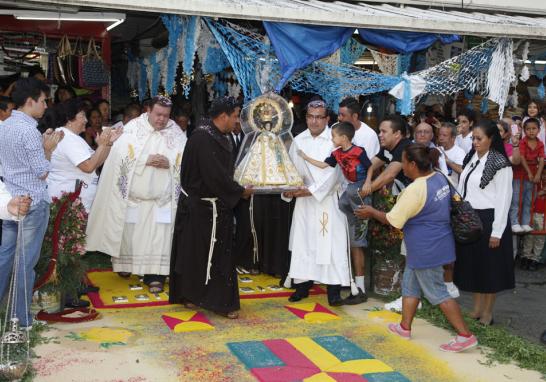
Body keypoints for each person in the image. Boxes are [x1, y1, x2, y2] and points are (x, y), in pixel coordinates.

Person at [355, 144, 477, 353]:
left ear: (412, 164)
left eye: (403, 162)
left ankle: (465, 335)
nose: (402, 166)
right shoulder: (439, 176)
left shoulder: (415, 189)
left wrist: (371, 212)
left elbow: (394, 220)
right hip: (438, 241)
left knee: (438, 292)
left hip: (425, 247)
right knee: (410, 285)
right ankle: (404, 327)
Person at [86, 96, 187, 294]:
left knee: (160, 239)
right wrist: (143, 160)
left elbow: (187, 158)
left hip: (163, 201)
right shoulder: (132, 129)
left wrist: (170, 163)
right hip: (135, 198)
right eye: (158, 114)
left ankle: (155, 276)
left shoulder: (176, 132)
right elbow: (119, 157)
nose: (161, 119)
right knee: (131, 236)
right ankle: (127, 265)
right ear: (148, 111)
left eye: (165, 116)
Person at [169, 96, 253, 319]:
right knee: (195, 254)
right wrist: (240, 191)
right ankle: (204, 298)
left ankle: (210, 297)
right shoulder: (203, 138)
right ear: (223, 116)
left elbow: (222, 173)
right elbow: (214, 176)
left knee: (216, 255)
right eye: (235, 116)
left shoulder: (217, 135)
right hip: (200, 207)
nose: (237, 122)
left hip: (216, 206)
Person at [0, 77, 64, 328]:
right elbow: (42, 171)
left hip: (10, 201)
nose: (46, 106)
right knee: (25, 264)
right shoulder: (28, 130)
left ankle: (11, 312)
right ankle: (21, 319)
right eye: (43, 101)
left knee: (5, 257)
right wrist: (48, 148)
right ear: (30, 102)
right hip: (33, 202)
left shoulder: (4, 125)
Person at [281, 99, 351, 307]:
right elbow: (289, 169)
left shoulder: (334, 141)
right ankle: (302, 286)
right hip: (303, 203)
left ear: (327, 119)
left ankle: (334, 290)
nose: (314, 121)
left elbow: (335, 174)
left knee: (331, 245)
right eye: (310, 117)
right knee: (304, 243)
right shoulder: (298, 140)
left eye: (319, 117)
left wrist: (309, 191)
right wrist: (289, 189)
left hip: (327, 201)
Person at [298, 121, 372, 302]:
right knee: (344, 205)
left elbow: (369, 166)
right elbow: (324, 166)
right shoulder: (336, 153)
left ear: (344, 138)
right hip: (346, 191)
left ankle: (338, 289)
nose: (332, 139)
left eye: (334, 136)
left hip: (357, 187)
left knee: (351, 211)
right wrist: (305, 157)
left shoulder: (359, 151)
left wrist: (369, 182)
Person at [454, 119, 514, 326]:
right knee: (475, 266)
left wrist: (497, 231)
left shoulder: (500, 163)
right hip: (470, 218)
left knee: (490, 269)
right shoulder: (472, 158)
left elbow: (504, 199)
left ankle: (488, 312)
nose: (475, 142)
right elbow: (464, 187)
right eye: (473, 139)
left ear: (491, 139)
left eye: (479, 139)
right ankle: (477, 309)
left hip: (490, 220)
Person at [360, 115, 412, 311]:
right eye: (379, 131)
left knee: (408, 250)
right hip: (403, 201)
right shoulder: (388, 148)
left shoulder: (404, 148)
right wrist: (366, 181)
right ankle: (407, 294)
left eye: (384, 131)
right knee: (403, 249)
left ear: (397, 134)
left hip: (416, 203)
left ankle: (408, 295)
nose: (380, 135)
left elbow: (389, 174)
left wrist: (366, 190)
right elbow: (370, 164)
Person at [337, 97, 379, 303]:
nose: (339, 118)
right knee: (344, 239)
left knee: (357, 240)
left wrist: (363, 191)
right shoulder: (338, 132)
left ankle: (360, 288)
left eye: (343, 115)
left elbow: (369, 167)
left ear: (355, 116)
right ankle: (347, 281)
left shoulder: (368, 136)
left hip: (359, 193)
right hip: (342, 193)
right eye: (338, 114)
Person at [47, 99, 122, 212]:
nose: (86, 120)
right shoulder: (66, 138)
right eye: (82, 116)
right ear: (69, 119)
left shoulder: (74, 137)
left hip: (79, 201)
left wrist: (108, 143)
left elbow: (97, 163)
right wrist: (103, 144)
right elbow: (88, 167)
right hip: (69, 204)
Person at [510, 118, 544, 233]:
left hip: (533, 174)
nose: (531, 131)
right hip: (520, 173)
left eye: (534, 128)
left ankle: (525, 222)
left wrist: (538, 174)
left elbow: (542, 159)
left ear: (539, 130)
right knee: (516, 199)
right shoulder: (522, 142)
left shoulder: (540, 143)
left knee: (529, 200)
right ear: (524, 131)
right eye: (528, 129)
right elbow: (522, 157)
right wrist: (529, 172)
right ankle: (514, 222)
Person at [521, 173, 546, 271]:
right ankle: (526, 256)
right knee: (529, 236)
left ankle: (535, 259)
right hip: (532, 212)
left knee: (540, 237)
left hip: (544, 215)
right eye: (543, 173)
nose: (545, 176)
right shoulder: (536, 183)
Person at [438, 122, 466, 186]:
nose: (441, 138)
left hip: (453, 192)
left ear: (453, 138)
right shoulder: (436, 150)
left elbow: (462, 170)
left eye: (444, 135)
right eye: (439, 135)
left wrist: (447, 161)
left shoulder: (459, 152)